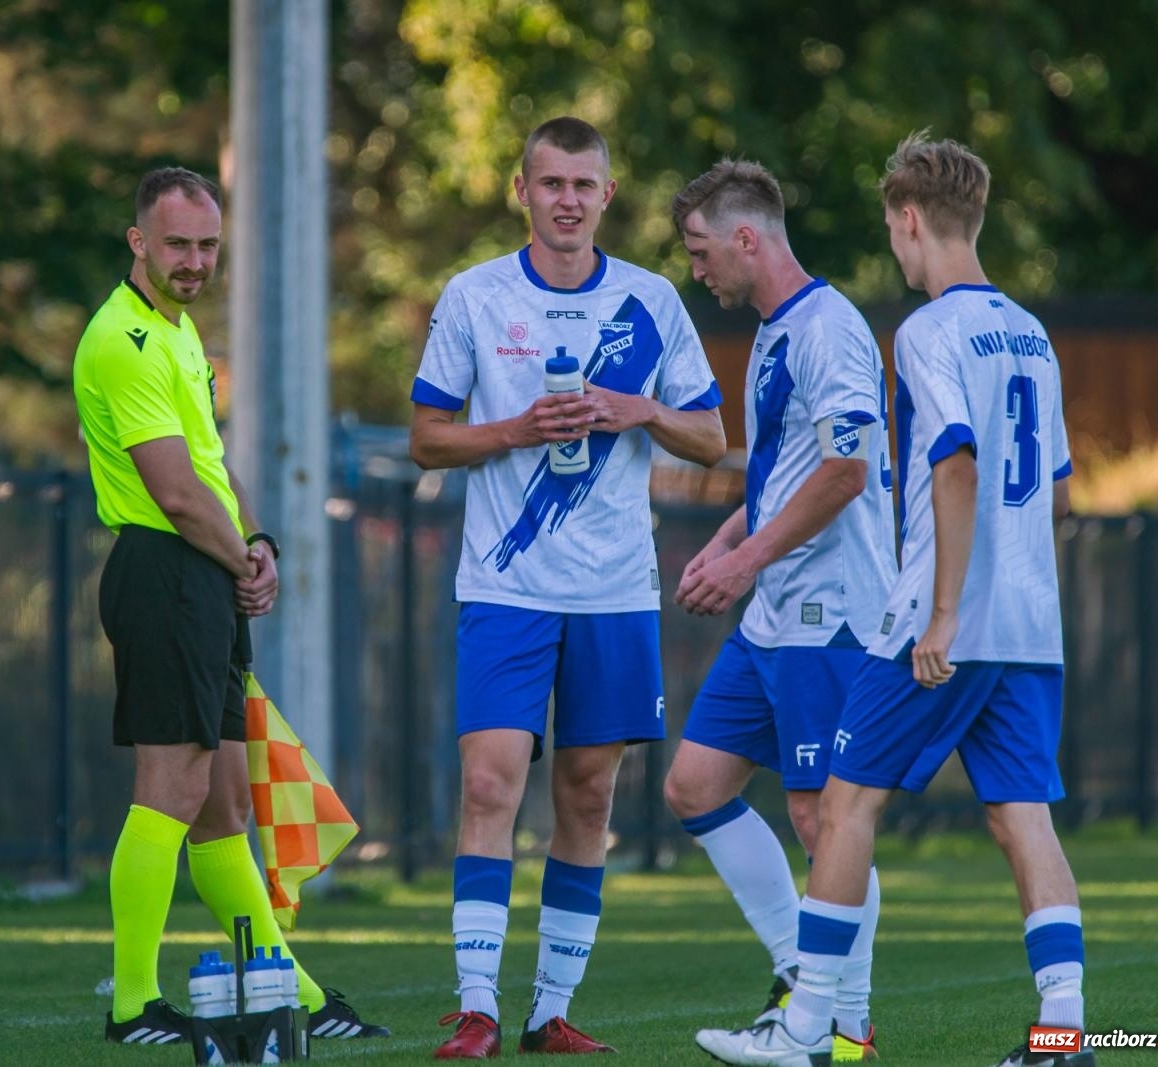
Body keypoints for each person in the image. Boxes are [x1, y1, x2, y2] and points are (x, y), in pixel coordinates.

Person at [696, 133, 1087, 1067]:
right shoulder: (1031, 332)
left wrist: (946, 612)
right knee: (1021, 816)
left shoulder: (926, 331)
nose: (896, 248)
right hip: (1032, 623)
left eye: (892, 229)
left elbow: (951, 461)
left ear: (910, 220)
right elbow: (1062, 492)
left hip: (937, 624)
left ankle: (810, 1026)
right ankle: (1066, 1033)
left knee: (844, 807)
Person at [409, 116, 727, 1058]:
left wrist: (637, 408)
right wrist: (515, 429)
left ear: (608, 195)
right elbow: (428, 437)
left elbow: (710, 438)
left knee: (588, 796)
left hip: (615, 589)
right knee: (488, 779)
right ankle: (477, 1005)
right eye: (551, 184)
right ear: (522, 190)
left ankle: (550, 1009)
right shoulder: (475, 296)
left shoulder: (653, 301)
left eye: (585, 185)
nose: (568, 201)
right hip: (506, 587)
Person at [73, 166, 386, 1047]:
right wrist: (236, 555)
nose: (195, 260)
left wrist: (260, 544)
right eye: (178, 243)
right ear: (139, 241)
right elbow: (172, 492)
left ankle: (296, 990)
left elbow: (210, 463)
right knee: (168, 791)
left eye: (208, 245)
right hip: (164, 572)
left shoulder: (179, 334)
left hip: (203, 574)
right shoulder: (122, 340)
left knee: (224, 811)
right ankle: (133, 1001)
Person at [662, 160, 896, 1063]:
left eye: (700, 249)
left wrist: (747, 561)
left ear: (747, 238)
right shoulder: (774, 330)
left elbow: (844, 472)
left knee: (820, 816)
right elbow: (786, 475)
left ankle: (843, 1021)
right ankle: (812, 979)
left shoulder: (829, 327)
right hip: (776, 614)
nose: (697, 268)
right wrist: (729, 544)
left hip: (831, 613)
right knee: (695, 785)